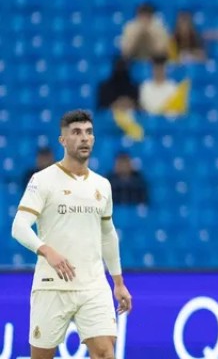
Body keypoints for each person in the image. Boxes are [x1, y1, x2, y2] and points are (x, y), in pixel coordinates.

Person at [10, 110, 132, 358]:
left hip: (93, 285)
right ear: (62, 140)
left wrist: (118, 283)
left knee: (105, 353)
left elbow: (108, 234)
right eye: (76, 133)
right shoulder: (42, 180)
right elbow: (19, 226)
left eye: (88, 132)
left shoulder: (102, 185)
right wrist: (47, 250)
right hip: (52, 285)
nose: (84, 138)